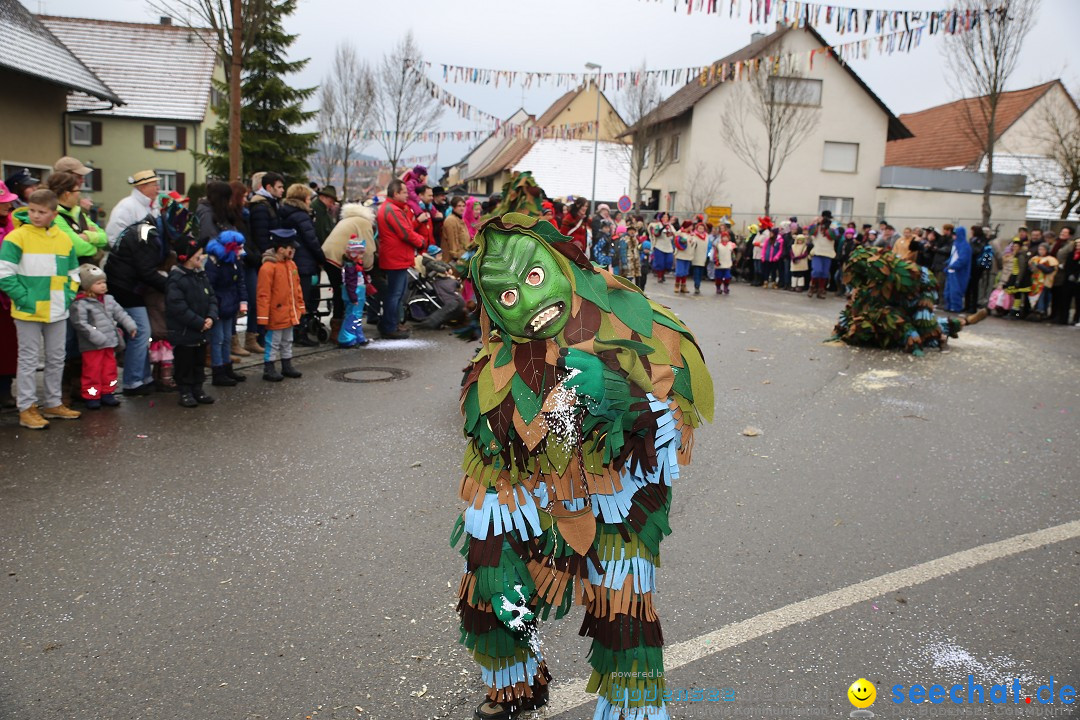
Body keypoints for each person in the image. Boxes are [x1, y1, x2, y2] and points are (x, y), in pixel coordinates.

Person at [455, 213, 713, 720]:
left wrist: (616, 394)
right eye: (506, 298)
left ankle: (631, 709)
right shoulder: (500, 364)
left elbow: (673, 428)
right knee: (490, 587)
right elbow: (488, 451)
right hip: (533, 493)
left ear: (561, 265)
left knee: (622, 611)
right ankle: (517, 681)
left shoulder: (639, 323)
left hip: (619, 492)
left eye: (532, 278)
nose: (527, 304)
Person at [0, 188, 83, 429]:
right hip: (28, 309)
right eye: (32, 211)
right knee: (28, 359)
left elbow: (73, 272)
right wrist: (23, 298)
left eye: (41, 212)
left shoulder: (63, 239)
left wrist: (68, 296)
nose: (36, 216)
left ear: (53, 214)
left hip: (57, 308)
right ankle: (26, 408)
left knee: (57, 358)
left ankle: (53, 403)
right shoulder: (16, 237)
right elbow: (4, 274)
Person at [69, 264, 137, 409]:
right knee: (92, 372)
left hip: (110, 343)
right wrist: (97, 337)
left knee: (110, 370)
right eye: (98, 283)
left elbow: (121, 314)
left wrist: (130, 325)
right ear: (87, 286)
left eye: (103, 282)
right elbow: (80, 323)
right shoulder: (80, 303)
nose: (103, 286)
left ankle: (108, 392)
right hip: (92, 345)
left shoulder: (109, 299)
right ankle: (92, 396)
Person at [166, 234, 218, 407]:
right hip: (185, 332)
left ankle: (198, 388)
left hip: (201, 331)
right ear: (187, 257)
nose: (202, 258)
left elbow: (211, 297)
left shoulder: (200, 275)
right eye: (198, 255)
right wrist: (198, 322)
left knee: (199, 361)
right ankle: (185, 390)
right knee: (184, 362)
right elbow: (178, 307)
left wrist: (211, 316)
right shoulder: (177, 279)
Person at [376, 179, 429, 340]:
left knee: (397, 294)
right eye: (405, 192)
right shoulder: (392, 210)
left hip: (397, 257)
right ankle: (390, 326)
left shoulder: (393, 208)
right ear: (396, 193)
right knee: (395, 294)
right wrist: (421, 241)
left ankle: (393, 323)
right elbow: (405, 232)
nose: (408, 195)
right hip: (395, 258)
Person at [278, 183, 326, 347]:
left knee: (296, 298)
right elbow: (311, 240)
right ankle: (300, 333)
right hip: (304, 262)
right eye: (307, 198)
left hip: (295, 260)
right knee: (303, 299)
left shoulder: (286, 213)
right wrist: (321, 258)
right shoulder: (301, 216)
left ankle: (296, 331)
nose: (309, 201)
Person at [257, 228, 306, 381]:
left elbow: (297, 288)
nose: (293, 251)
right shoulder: (268, 268)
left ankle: (287, 364)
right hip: (275, 313)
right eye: (291, 248)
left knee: (287, 340)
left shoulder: (291, 265)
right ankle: (269, 367)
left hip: (289, 312)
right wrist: (263, 317)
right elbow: (263, 294)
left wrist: (300, 306)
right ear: (281, 249)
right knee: (273, 342)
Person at [204, 229, 248, 386]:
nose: (242, 252)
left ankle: (227, 367)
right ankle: (218, 371)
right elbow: (210, 288)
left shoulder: (234, 262)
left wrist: (243, 301)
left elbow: (240, 282)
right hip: (218, 307)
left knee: (227, 338)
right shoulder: (214, 263)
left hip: (229, 305)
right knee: (218, 339)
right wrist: (213, 308)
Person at [47, 171, 107, 264]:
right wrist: (97, 249)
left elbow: (104, 238)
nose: (79, 194)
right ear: (67, 194)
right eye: (77, 190)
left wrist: (87, 236)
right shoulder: (55, 216)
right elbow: (77, 248)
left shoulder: (77, 212)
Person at [414, 245, 465, 330]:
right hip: (434, 281)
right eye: (439, 256)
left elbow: (442, 263)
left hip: (438, 280)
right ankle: (432, 321)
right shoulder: (429, 262)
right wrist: (444, 270)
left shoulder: (435, 260)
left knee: (456, 298)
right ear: (434, 256)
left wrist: (448, 267)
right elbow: (436, 266)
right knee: (453, 301)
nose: (441, 257)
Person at [105, 170, 160, 248]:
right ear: (143, 187)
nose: (158, 188)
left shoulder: (153, 206)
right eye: (155, 185)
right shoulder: (126, 206)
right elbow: (114, 238)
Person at [0, 182, 18, 408]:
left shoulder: (11, 224)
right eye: (4, 203)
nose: (9, 205)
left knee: (7, 347)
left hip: (8, 295)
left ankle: (5, 391)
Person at [337, 236, 369, 347]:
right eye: (359, 253)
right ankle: (346, 338)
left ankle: (358, 335)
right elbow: (350, 284)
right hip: (354, 295)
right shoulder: (350, 267)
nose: (361, 256)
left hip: (358, 294)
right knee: (352, 317)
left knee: (357, 317)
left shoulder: (355, 265)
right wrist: (353, 298)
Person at [1051, 227, 1076, 325]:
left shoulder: (1070, 245)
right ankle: (1053, 314)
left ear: (1069, 235)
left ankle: (1059, 316)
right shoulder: (1056, 243)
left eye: (1065, 233)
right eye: (1062, 232)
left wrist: (1063, 265)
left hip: (1062, 273)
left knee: (1061, 296)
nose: (1062, 234)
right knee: (1054, 295)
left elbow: (1070, 257)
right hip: (1053, 273)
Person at [943, 226, 971, 313]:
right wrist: (948, 264)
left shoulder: (965, 246)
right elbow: (953, 257)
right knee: (948, 290)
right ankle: (949, 306)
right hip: (951, 270)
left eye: (955, 234)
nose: (953, 236)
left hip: (958, 272)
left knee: (956, 291)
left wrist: (953, 266)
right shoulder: (955, 244)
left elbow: (962, 260)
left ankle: (956, 307)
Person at [1027, 242, 1058, 319]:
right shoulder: (1034, 258)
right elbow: (1030, 269)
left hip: (1044, 282)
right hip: (1035, 282)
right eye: (1040, 249)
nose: (1041, 251)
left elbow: (1048, 270)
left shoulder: (1051, 259)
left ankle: (1041, 311)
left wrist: (1038, 265)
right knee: (1034, 297)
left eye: (1043, 249)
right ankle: (1033, 310)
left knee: (1042, 297)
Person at [808, 217, 836, 299]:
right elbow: (811, 231)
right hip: (817, 252)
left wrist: (827, 227)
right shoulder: (817, 228)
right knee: (817, 270)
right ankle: (812, 286)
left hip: (828, 253)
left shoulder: (832, 228)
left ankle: (821, 289)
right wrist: (814, 222)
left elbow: (832, 236)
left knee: (824, 273)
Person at [441, 196, 470, 264]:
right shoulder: (451, 220)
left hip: (463, 256)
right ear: (453, 207)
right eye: (459, 206)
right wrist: (456, 257)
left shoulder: (460, 219)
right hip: (453, 260)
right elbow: (452, 241)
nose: (462, 208)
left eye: (463, 206)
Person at [649, 212, 674, 283]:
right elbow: (656, 234)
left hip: (668, 247)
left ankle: (663, 273)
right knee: (660, 263)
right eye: (663, 217)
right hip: (659, 246)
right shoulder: (657, 226)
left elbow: (674, 234)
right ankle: (660, 276)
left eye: (666, 217)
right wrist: (662, 228)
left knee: (669, 262)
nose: (665, 219)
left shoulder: (670, 226)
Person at [713, 227, 736, 295]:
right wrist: (716, 261)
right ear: (721, 238)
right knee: (718, 277)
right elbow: (715, 254)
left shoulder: (731, 245)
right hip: (719, 265)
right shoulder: (718, 245)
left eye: (727, 237)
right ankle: (718, 288)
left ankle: (726, 287)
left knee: (727, 277)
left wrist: (734, 260)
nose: (725, 238)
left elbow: (732, 254)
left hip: (727, 264)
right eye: (724, 237)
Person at [690, 221, 709, 294]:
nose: (701, 229)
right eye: (699, 228)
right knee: (696, 272)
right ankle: (696, 286)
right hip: (696, 256)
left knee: (701, 273)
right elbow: (692, 244)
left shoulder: (706, 236)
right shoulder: (694, 235)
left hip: (703, 256)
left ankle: (698, 284)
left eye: (702, 228)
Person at [623, 224, 644, 290]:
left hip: (636, 259)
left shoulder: (636, 239)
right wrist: (624, 261)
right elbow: (623, 251)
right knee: (629, 275)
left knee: (638, 275)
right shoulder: (625, 239)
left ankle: (639, 290)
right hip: (629, 259)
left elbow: (639, 248)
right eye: (630, 231)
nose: (632, 232)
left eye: (633, 231)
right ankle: (628, 290)